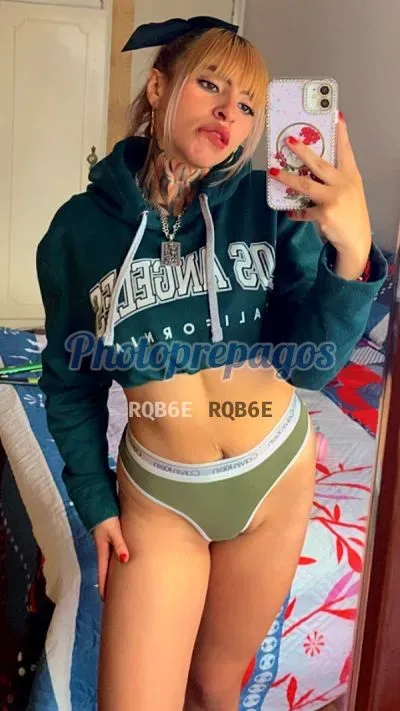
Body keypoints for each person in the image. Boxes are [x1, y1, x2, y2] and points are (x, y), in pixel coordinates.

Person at [36, 15, 387, 711]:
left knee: (215, 686)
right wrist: (96, 501)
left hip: (274, 479)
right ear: (158, 87)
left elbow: (312, 367)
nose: (231, 111)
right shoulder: (79, 231)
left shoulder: (269, 206)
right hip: (160, 499)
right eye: (210, 84)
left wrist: (352, 253)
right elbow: (70, 386)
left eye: (250, 104)